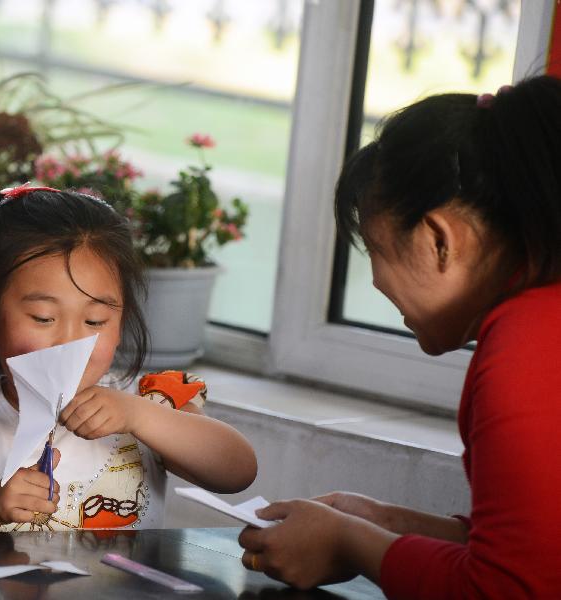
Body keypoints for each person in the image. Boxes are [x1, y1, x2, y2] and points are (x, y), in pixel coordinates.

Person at [238, 76, 561, 597]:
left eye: (377, 251)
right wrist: (383, 522)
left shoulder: (527, 342)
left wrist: (347, 540)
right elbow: (538, 555)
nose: (377, 282)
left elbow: (505, 590)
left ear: (439, 240)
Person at [0, 185, 257, 533]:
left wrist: (140, 416)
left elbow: (237, 471)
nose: (70, 340)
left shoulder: (149, 403)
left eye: (95, 321)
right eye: (44, 318)